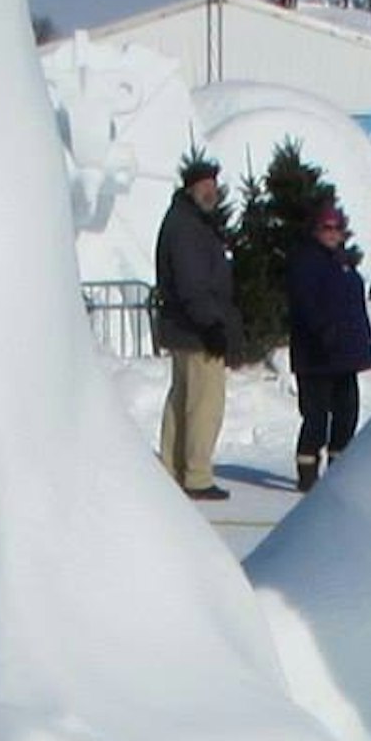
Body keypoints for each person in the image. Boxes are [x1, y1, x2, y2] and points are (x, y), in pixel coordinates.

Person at [151, 156, 237, 501]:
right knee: (204, 404)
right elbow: (192, 283)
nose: (211, 192)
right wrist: (212, 323)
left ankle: (173, 467)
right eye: (204, 185)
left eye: (214, 185)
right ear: (190, 188)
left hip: (182, 328)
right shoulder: (188, 227)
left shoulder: (184, 221)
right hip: (197, 330)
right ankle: (197, 475)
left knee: (182, 398)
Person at [283, 192, 371, 490]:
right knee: (316, 417)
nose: (333, 234)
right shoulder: (306, 262)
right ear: (316, 230)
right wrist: (324, 333)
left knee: (347, 414)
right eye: (327, 228)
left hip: (345, 355)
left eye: (337, 228)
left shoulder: (344, 264)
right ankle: (307, 472)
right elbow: (306, 305)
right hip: (317, 356)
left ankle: (340, 468)